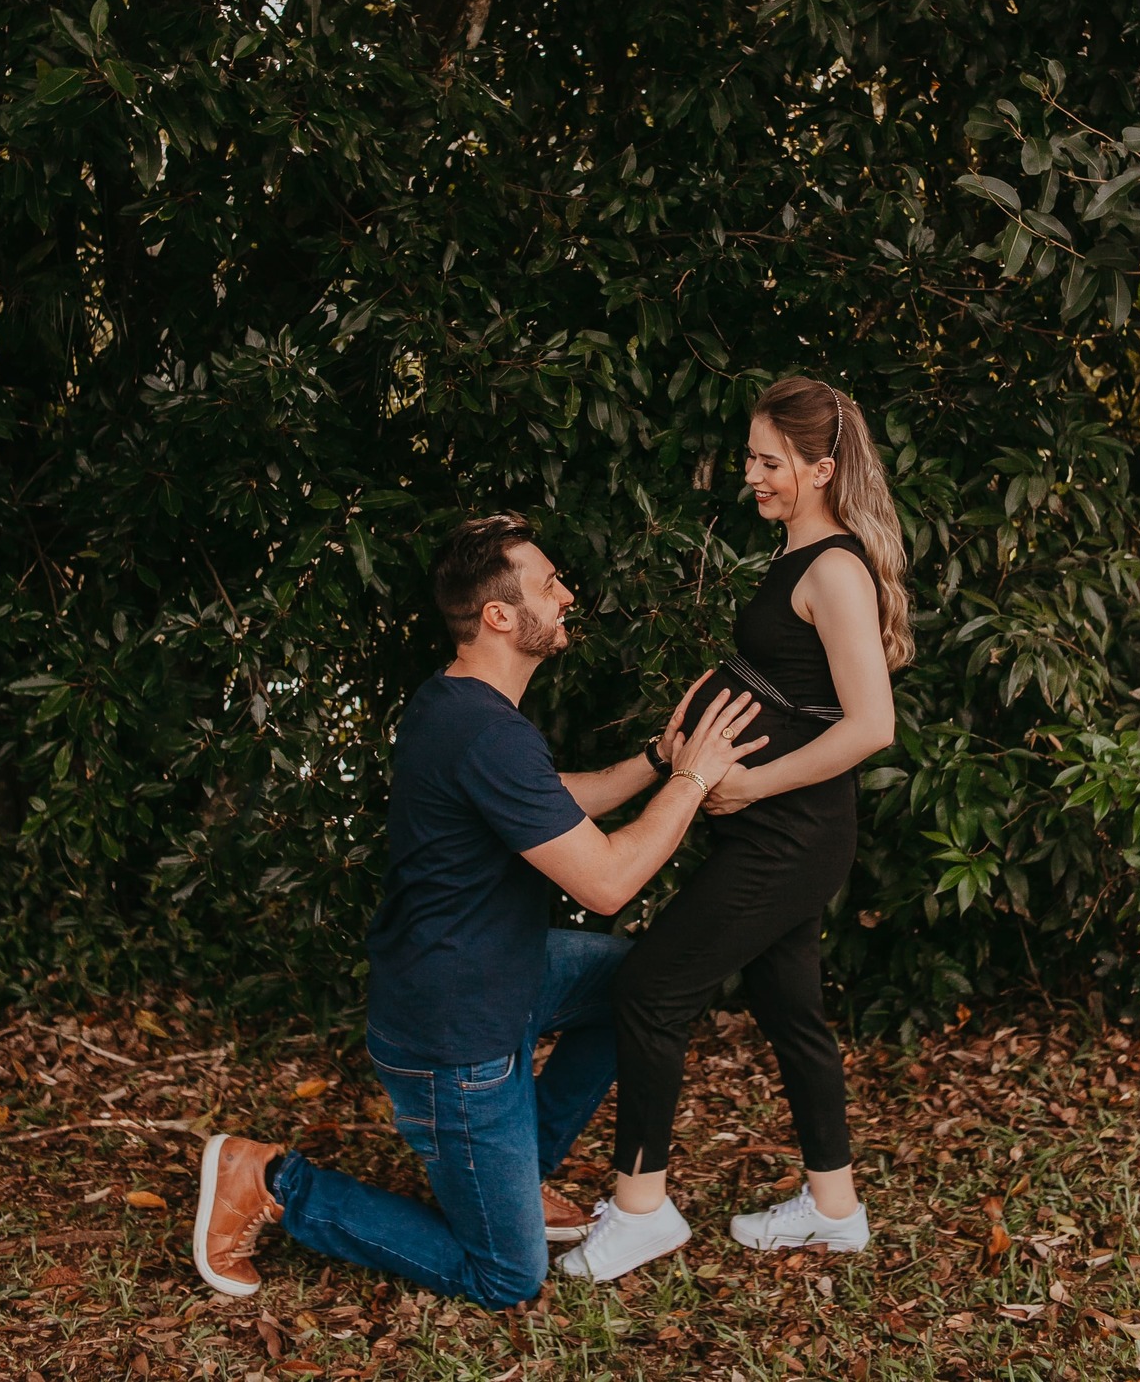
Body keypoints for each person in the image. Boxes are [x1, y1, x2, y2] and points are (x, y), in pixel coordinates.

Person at [191, 512, 766, 1309]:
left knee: (646, 981)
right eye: (549, 584)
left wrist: (656, 760)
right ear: (500, 615)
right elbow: (605, 883)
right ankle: (274, 1181)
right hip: (454, 1031)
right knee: (505, 1276)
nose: (567, 595)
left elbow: (548, 802)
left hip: (500, 971)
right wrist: (695, 781)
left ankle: (514, 1176)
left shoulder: (459, 705)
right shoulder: (484, 732)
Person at [559, 377, 913, 1282]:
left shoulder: (832, 568)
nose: (751, 475)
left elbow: (872, 725)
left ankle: (642, 1208)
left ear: (822, 468)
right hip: (780, 829)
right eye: (752, 457)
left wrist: (751, 783)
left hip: (789, 834)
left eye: (770, 461)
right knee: (789, 1007)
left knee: (649, 988)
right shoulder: (796, 559)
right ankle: (834, 1208)